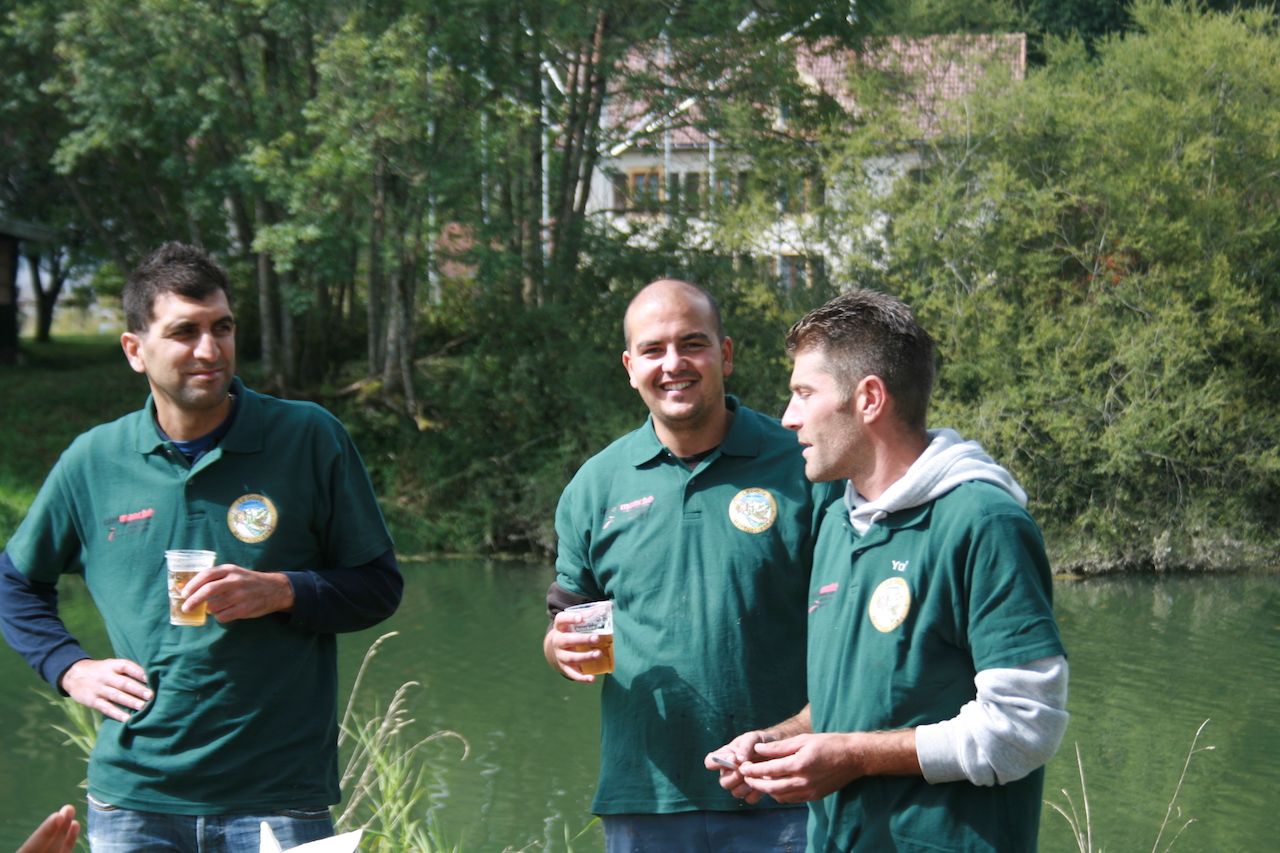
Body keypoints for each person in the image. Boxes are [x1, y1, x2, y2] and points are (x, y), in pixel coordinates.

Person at [0, 243, 402, 851]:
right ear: (135, 350)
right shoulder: (94, 460)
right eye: (184, 332)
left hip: (279, 797)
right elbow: (16, 582)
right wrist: (68, 667)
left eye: (222, 327)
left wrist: (283, 591)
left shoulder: (309, 438)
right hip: (134, 801)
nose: (210, 350)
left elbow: (379, 587)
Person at [707, 289, 1069, 852]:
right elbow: (850, 708)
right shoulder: (837, 523)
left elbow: (1025, 728)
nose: (788, 417)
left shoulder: (983, 521)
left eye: (804, 393)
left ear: (869, 398)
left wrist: (854, 757)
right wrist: (776, 743)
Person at [544, 279, 840, 853]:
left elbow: (849, 630)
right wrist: (561, 649)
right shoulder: (595, 485)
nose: (673, 363)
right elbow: (568, 626)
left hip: (786, 792)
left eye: (692, 344)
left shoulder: (802, 463)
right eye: (653, 350)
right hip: (645, 799)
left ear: (725, 355)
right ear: (631, 367)